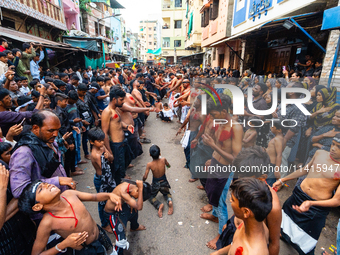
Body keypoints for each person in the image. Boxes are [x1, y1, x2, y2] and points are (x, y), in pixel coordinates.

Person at [272, 133, 340, 255]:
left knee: (307, 243)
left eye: (339, 146)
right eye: (333, 144)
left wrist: (311, 203)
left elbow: (336, 201)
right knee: (283, 221)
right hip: (298, 195)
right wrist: (283, 180)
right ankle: (286, 237)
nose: (333, 148)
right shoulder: (320, 154)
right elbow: (304, 170)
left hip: (316, 208)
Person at [18, 180, 122, 255]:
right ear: (37, 206)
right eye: (41, 189)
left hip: (101, 236)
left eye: (45, 183)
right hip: (86, 251)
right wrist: (63, 245)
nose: (47, 185)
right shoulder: (47, 222)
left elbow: (94, 197)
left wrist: (109, 195)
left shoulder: (69, 194)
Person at [200, 94, 243, 250]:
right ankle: (215, 216)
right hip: (215, 164)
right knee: (212, 194)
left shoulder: (236, 128)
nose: (211, 117)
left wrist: (212, 146)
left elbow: (235, 158)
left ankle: (220, 235)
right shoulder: (219, 122)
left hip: (225, 170)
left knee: (220, 201)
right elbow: (219, 145)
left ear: (224, 111)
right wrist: (212, 159)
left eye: (214, 114)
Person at [220, 178, 272, 255]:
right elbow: (234, 244)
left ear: (246, 212)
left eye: (233, 200)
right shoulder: (252, 223)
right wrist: (218, 253)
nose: (230, 200)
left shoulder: (253, 252)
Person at [104, 180, 149, 254]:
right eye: (138, 196)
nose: (136, 198)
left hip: (120, 207)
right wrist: (141, 189)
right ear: (137, 190)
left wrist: (132, 201)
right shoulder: (123, 191)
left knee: (134, 210)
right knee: (121, 238)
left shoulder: (131, 186)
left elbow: (135, 203)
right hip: (111, 213)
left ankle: (134, 227)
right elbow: (139, 207)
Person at [101, 87, 133, 185]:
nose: (123, 102)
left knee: (128, 159)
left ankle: (123, 178)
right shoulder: (107, 112)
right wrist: (109, 151)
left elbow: (118, 123)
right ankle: (120, 188)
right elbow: (104, 133)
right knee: (117, 169)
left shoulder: (115, 109)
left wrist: (127, 126)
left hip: (122, 143)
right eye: (121, 99)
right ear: (114, 99)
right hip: (116, 145)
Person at [89, 127, 114, 233]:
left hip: (108, 176)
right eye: (99, 141)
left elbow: (111, 159)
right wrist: (108, 158)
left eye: (102, 140)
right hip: (101, 179)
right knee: (102, 202)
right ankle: (104, 224)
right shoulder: (95, 154)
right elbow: (104, 168)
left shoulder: (102, 147)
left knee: (111, 197)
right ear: (91, 142)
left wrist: (109, 157)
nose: (102, 142)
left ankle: (111, 215)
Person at [143, 145, 173, 218]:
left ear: (150, 155)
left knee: (150, 196)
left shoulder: (149, 164)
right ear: (160, 153)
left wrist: (142, 181)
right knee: (166, 193)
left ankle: (159, 205)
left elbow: (145, 176)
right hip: (164, 182)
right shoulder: (163, 159)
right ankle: (169, 201)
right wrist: (168, 166)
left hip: (156, 183)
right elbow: (168, 165)